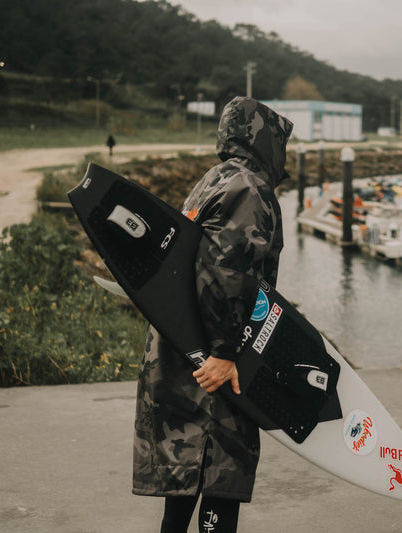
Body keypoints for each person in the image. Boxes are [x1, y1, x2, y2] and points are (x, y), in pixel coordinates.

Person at [132, 97, 293, 533]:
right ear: (264, 138)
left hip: (182, 349)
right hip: (212, 362)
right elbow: (228, 270)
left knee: (184, 486)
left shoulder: (216, 179)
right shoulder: (249, 188)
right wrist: (224, 352)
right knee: (219, 476)